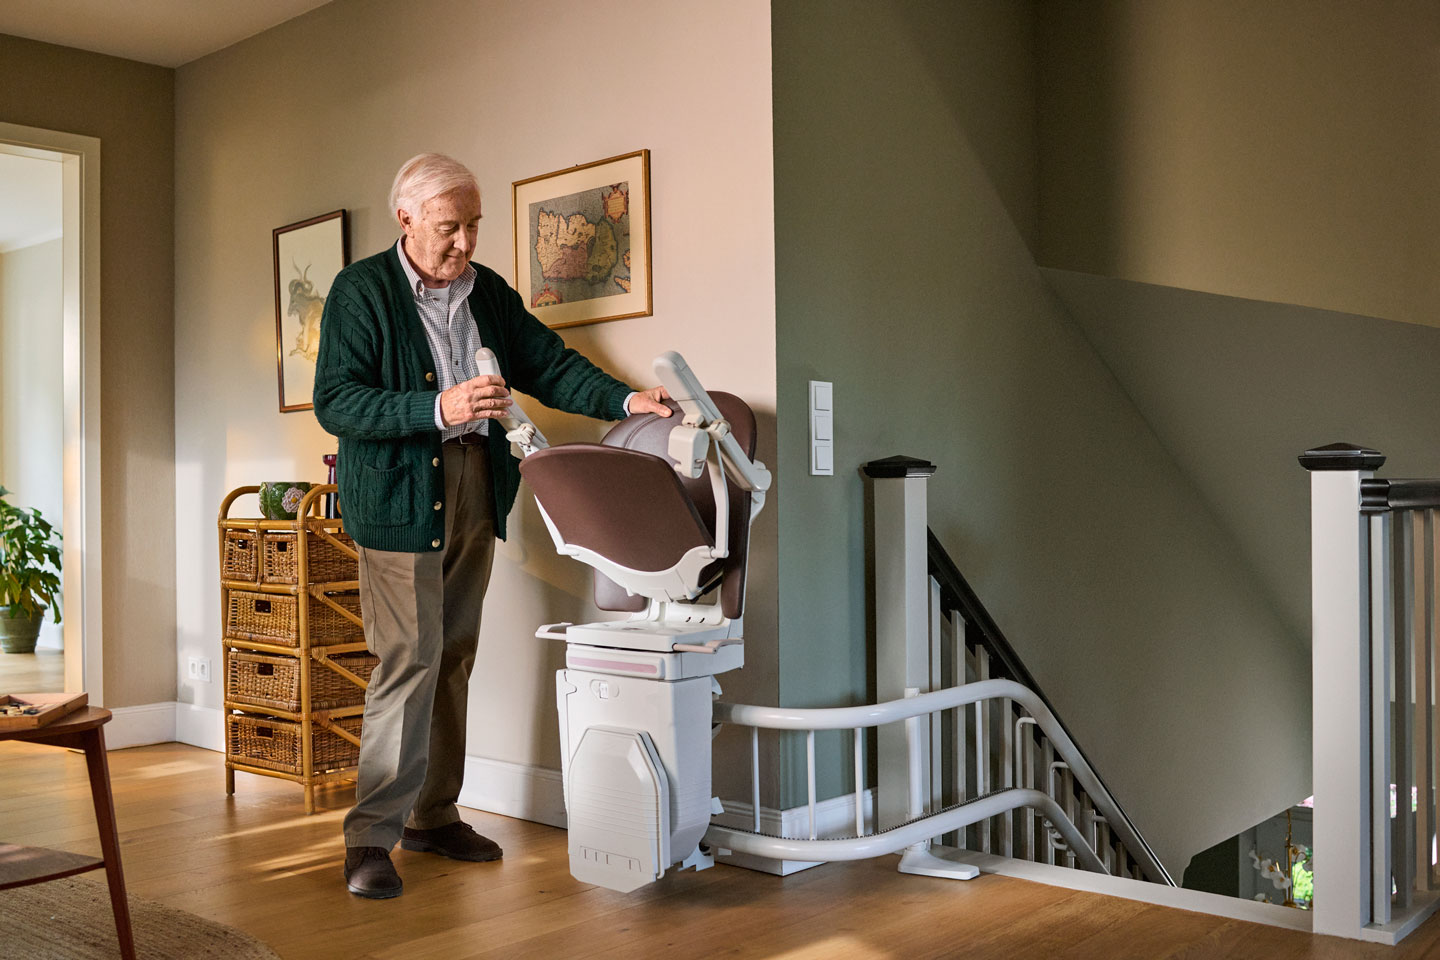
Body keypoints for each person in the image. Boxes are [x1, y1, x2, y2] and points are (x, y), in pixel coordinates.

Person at [313, 152, 671, 899]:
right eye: (451, 226)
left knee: (455, 654)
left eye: (474, 224)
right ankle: (371, 837)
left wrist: (626, 401)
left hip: (477, 484)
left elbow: (551, 364)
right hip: (399, 497)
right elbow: (337, 401)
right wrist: (434, 408)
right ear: (406, 219)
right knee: (408, 659)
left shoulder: (489, 292)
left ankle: (433, 815)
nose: (467, 241)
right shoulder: (361, 291)